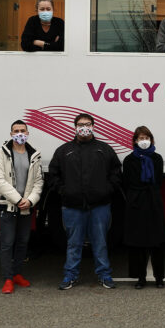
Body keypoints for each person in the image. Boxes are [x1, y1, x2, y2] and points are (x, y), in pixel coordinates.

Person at [50, 113, 122, 290]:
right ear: (75, 127)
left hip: (99, 206)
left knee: (100, 242)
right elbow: (53, 175)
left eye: (88, 124)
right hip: (72, 207)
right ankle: (70, 276)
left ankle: (105, 275)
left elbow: (116, 172)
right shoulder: (64, 150)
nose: (84, 127)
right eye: (81, 124)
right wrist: (63, 191)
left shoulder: (104, 149)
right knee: (73, 243)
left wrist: (107, 190)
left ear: (93, 126)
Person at [0, 120, 44, 294]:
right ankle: (7, 278)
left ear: (28, 133)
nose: (19, 134)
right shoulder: (2, 153)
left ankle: (17, 274)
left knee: (22, 242)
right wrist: (17, 199)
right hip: (8, 206)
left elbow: (38, 182)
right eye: (16, 131)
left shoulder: (34, 155)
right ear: (11, 133)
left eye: (22, 130)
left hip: (26, 206)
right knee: (7, 243)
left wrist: (30, 201)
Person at [122, 126, 165, 289]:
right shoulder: (129, 160)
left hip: (153, 200)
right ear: (135, 140)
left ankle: (159, 277)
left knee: (157, 242)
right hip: (136, 201)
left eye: (146, 138)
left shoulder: (157, 158)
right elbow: (126, 182)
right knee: (137, 242)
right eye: (140, 138)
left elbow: (159, 180)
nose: (144, 141)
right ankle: (140, 277)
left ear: (151, 140)